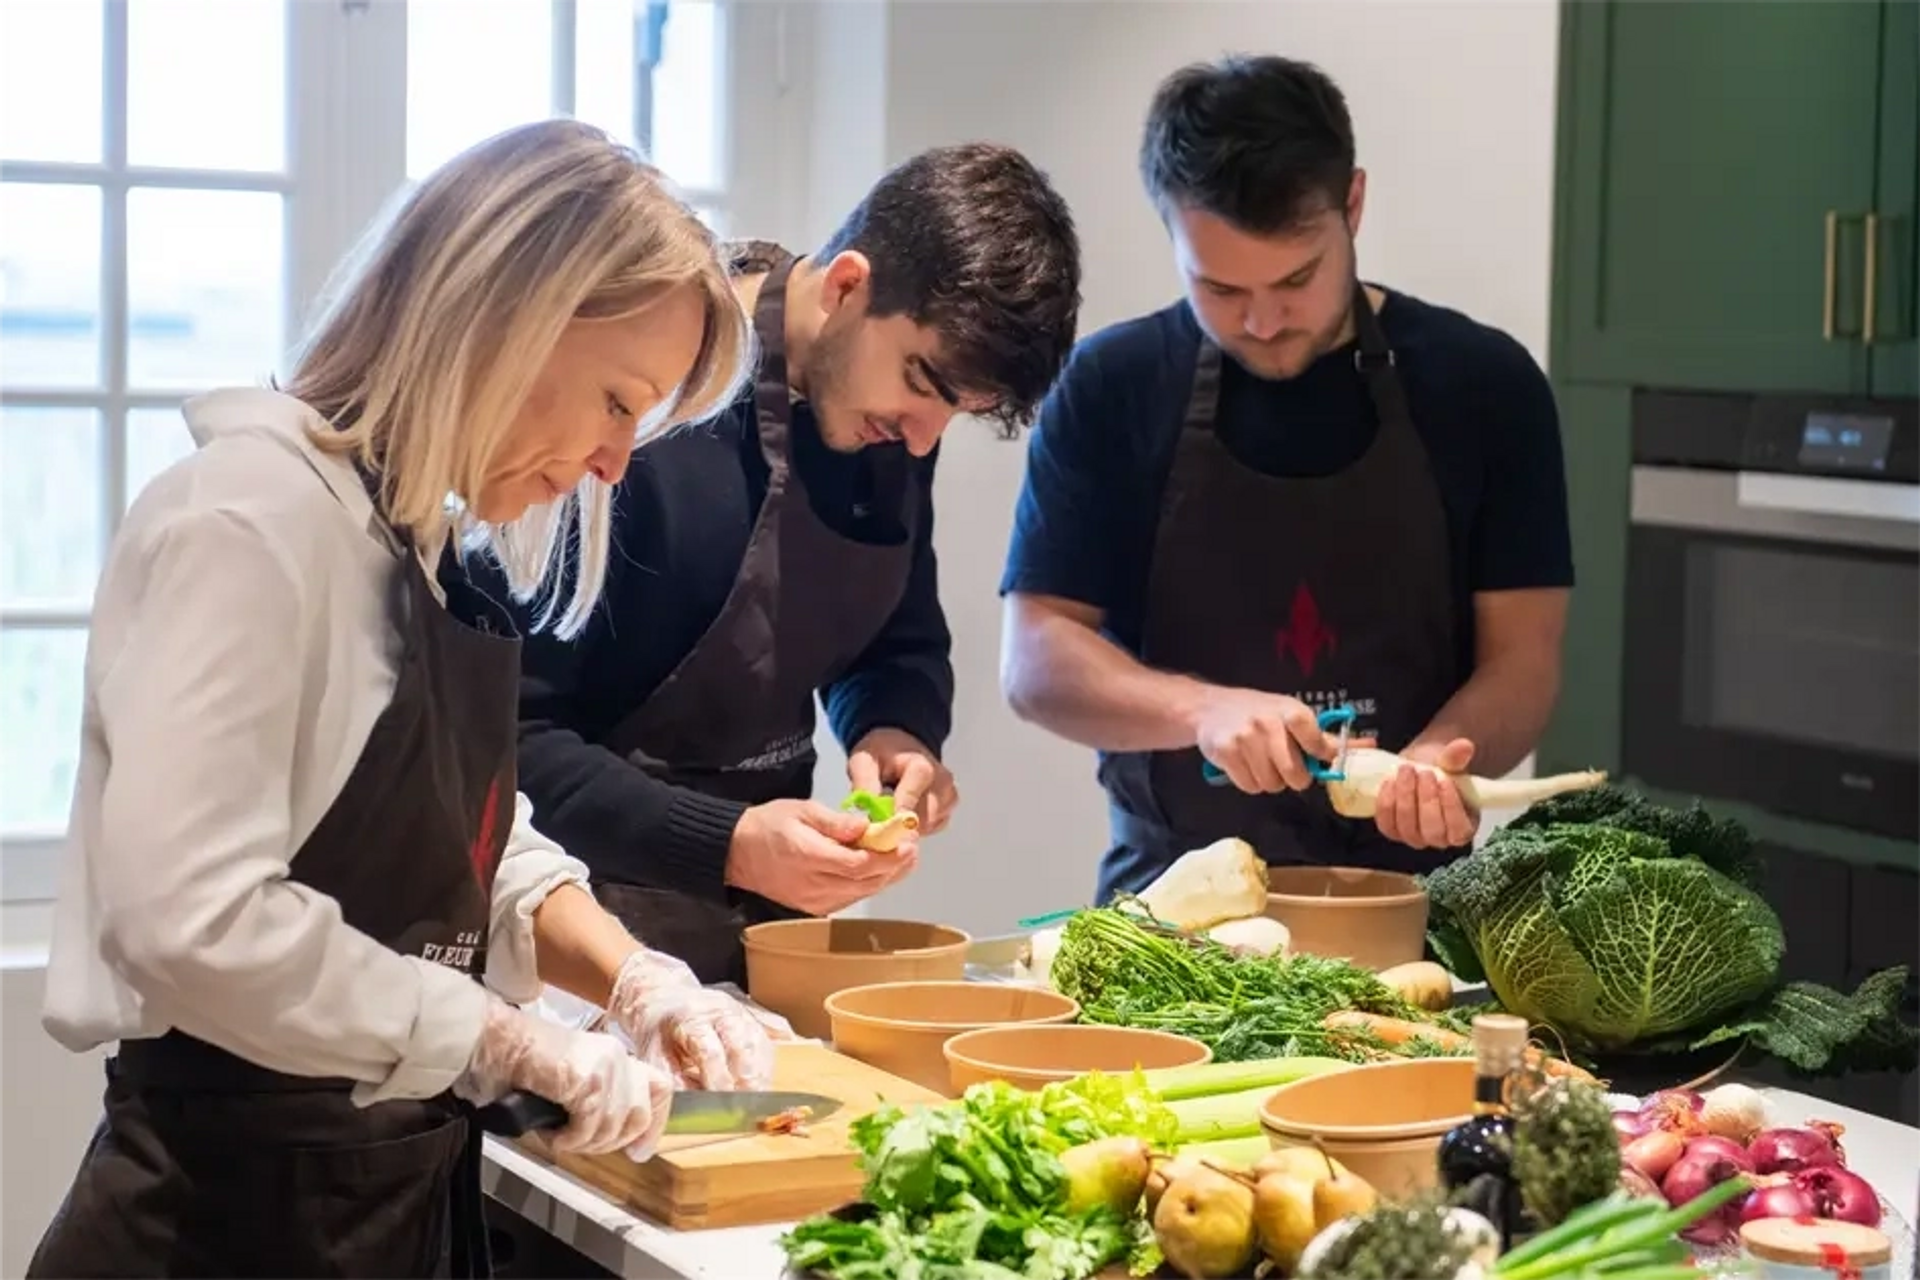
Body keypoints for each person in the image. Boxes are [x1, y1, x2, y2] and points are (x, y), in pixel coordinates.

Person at [29, 120, 780, 1280]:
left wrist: (638, 978)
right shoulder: (249, 520)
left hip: (385, 1203)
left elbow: (469, 842)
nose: (616, 462)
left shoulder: (407, 542)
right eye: (616, 400)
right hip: (220, 1220)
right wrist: (497, 1037)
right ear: (507, 313)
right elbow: (190, 921)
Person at [461, 143, 1082, 984]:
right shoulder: (644, 398)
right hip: (564, 938)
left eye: (957, 412)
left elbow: (894, 636)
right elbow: (506, 740)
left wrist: (894, 731)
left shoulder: (890, 420)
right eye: (922, 383)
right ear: (848, 286)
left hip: (764, 928)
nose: (922, 439)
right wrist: (728, 843)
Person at [999, 55, 1574, 904]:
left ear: (1354, 204)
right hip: (1170, 907)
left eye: (1297, 279)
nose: (1263, 321)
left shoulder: (1484, 385)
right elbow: (1036, 661)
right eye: (1219, 287)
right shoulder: (1112, 387)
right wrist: (1202, 711)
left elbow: (1525, 660)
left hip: (1412, 904)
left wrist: (1441, 756)